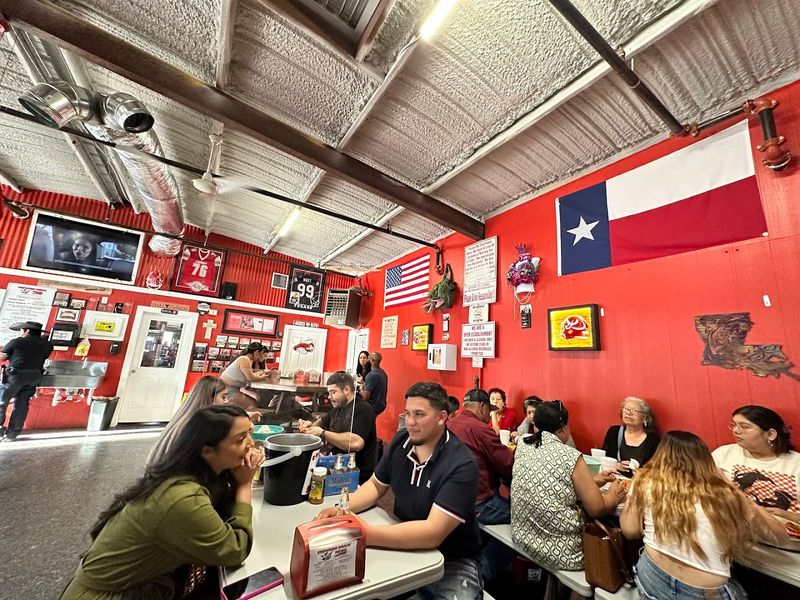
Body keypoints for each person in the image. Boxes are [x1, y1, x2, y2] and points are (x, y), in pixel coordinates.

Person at [60, 405, 265, 600]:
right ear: (207, 451)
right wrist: (244, 484)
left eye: (249, 433)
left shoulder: (190, 474)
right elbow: (234, 550)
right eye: (240, 439)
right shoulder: (182, 498)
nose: (251, 443)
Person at [316, 382, 483, 600]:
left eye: (419, 414)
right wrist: (341, 509)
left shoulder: (461, 464)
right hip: (401, 539)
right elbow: (375, 486)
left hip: (452, 559)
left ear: (441, 417)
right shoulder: (401, 441)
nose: (410, 422)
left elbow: (432, 533)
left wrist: (365, 534)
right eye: (408, 413)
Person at [621, 431, 788, 600]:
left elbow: (630, 530)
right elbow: (780, 536)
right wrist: (735, 490)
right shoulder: (723, 493)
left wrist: (632, 495)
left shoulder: (645, 480)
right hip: (703, 590)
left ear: (660, 454)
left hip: (651, 573)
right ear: (706, 460)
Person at [512, 401, 624, 571]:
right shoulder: (571, 455)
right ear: (563, 428)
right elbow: (597, 509)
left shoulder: (523, 444)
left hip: (522, 537)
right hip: (563, 552)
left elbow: (550, 482)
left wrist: (592, 482)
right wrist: (613, 495)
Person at [712, 405, 800, 524]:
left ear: (770, 434)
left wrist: (788, 516)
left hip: (785, 532)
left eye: (744, 426)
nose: (736, 430)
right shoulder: (723, 454)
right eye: (733, 425)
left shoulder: (796, 464)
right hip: (732, 527)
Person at [297, 371, 377, 484]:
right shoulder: (339, 406)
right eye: (329, 393)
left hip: (355, 473)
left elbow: (356, 443)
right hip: (336, 465)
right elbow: (322, 421)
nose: (329, 397)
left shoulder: (363, 409)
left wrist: (322, 433)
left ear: (346, 389)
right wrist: (309, 426)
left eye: (333, 392)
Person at [447, 388, 513, 525]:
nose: (489, 416)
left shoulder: (447, 425)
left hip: (450, 498)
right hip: (479, 504)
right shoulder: (481, 429)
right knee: (525, 514)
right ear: (483, 407)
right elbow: (508, 464)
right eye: (489, 411)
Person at [147, 376, 227, 463]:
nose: (226, 402)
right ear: (211, 398)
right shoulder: (198, 427)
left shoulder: (183, 418)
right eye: (223, 397)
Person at [0, 321, 54, 441]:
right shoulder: (48, 345)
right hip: (34, 376)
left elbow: (2, 357)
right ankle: (12, 434)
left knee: (2, 402)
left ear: (27, 331)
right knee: (22, 404)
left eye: (21, 330)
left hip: (15, 376)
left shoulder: (17, 342)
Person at [602, 396, 660, 473]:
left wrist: (643, 472)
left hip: (639, 480)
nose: (629, 413)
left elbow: (656, 469)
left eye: (635, 411)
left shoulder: (653, 440)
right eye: (626, 409)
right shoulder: (614, 432)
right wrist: (615, 465)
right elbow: (602, 458)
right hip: (613, 478)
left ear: (645, 418)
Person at [360, 351, 387, 416]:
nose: (366, 360)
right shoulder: (383, 372)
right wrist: (364, 384)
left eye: (368, 359)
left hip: (373, 406)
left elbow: (365, 397)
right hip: (381, 404)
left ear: (371, 360)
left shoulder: (371, 375)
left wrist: (359, 390)